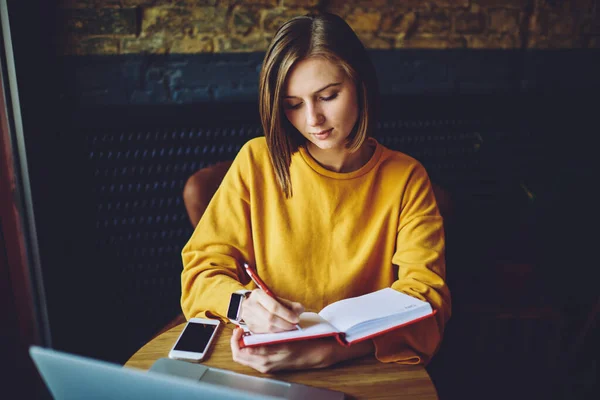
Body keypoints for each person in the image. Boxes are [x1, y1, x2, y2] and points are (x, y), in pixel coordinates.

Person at [181, 11, 451, 374]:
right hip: (263, 364)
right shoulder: (255, 162)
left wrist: (331, 352)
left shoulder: (406, 178)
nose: (312, 120)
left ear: (360, 85)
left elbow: (428, 299)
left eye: (327, 96)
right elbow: (200, 273)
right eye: (293, 105)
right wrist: (244, 305)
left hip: (366, 369)